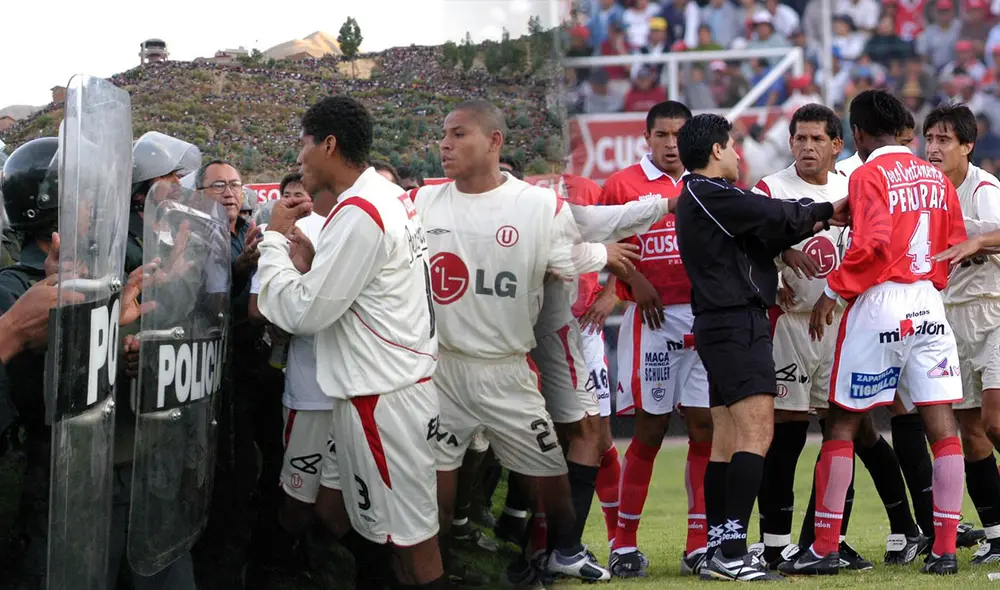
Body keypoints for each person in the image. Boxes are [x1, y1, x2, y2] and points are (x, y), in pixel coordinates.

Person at [413, 99, 640, 585]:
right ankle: (439, 564)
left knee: (549, 464)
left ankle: (562, 548)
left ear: (494, 142)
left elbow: (568, 254)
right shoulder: (423, 203)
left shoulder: (539, 205)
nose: (445, 145)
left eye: (458, 134)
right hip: (443, 367)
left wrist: (607, 260)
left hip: (509, 366)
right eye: (444, 135)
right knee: (440, 475)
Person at [256, 95, 447, 589]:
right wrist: (319, 260)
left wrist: (275, 240)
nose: (299, 159)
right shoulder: (384, 198)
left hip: (382, 402)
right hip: (387, 392)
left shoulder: (360, 209)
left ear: (329, 144)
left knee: (413, 548)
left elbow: (302, 311)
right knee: (381, 538)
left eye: (303, 145)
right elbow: (371, 289)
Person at [782, 89, 967, 576]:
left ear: (858, 134)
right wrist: (928, 281)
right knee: (941, 425)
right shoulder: (934, 175)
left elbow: (872, 246)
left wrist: (834, 293)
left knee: (843, 421)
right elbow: (955, 242)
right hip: (929, 302)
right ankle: (945, 549)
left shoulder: (867, 174)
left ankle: (823, 547)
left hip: (880, 301)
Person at [674, 113, 845, 581]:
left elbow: (767, 229)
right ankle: (731, 552)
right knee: (757, 436)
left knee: (726, 441)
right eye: (730, 145)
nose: (736, 153)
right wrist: (826, 211)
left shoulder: (704, 198)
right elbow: (770, 214)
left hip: (720, 324)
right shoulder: (710, 193)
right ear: (715, 151)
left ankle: (717, 548)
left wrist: (804, 229)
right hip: (736, 323)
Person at [752, 104, 916, 571]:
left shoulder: (854, 186)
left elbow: (874, 247)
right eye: (799, 139)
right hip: (791, 325)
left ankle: (833, 538)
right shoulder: (772, 188)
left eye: (817, 139)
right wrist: (780, 256)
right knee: (785, 433)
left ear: (838, 145)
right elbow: (748, 238)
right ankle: (774, 545)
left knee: (849, 433)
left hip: (845, 326)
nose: (807, 147)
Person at [0, 137, 154, 588]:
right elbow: (27, 394)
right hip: (51, 482)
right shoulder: (13, 290)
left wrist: (124, 343)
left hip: (104, 471)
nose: (94, 206)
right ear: (50, 207)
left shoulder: (91, 279)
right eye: (82, 197)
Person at [598, 100, 713, 579]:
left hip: (704, 320)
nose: (670, 144)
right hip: (653, 320)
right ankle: (623, 543)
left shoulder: (705, 178)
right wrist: (633, 282)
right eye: (662, 135)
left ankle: (698, 544)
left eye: (678, 135)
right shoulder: (622, 185)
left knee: (706, 428)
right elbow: (604, 244)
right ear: (647, 138)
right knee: (650, 429)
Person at [246, 172, 332, 583]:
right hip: (311, 391)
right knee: (298, 494)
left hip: (363, 390)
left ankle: (318, 555)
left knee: (343, 498)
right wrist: (301, 284)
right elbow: (257, 308)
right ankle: (275, 565)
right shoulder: (286, 232)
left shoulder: (366, 223)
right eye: (293, 193)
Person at [924, 103, 1000, 563]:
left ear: (967, 146)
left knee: (994, 421)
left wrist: (978, 241)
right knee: (971, 432)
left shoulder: (984, 190)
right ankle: (996, 533)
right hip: (950, 320)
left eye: (943, 140)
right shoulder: (927, 191)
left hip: (995, 313)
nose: (933, 148)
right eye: (929, 139)